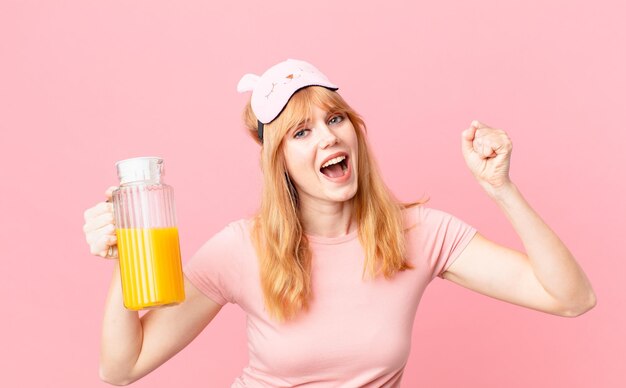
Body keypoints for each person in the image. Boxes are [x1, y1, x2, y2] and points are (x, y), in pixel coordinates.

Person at [83, 59, 596, 387]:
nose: (328, 138)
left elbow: (572, 299)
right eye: (301, 132)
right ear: (278, 160)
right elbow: (121, 367)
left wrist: (500, 189)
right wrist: (124, 259)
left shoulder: (419, 233)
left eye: (334, 119)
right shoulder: (242, 249)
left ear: (354, 131)